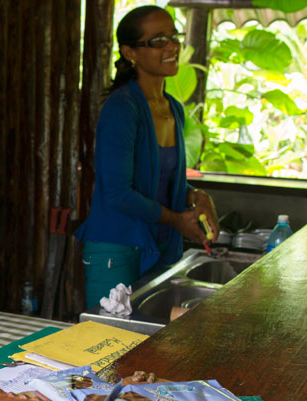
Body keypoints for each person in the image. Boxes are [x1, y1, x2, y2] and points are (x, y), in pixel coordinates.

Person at [75, 5, 219, 308]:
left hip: (156, 245)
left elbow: (160, 184)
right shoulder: (122, 108)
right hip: (116, 250)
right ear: (130, 53)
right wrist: (178, 220)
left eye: (173, 36)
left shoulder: (174, 109)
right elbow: (117, 193)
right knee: (107, 344)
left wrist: (196, 197)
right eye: (157, 40)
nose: (172, 46)